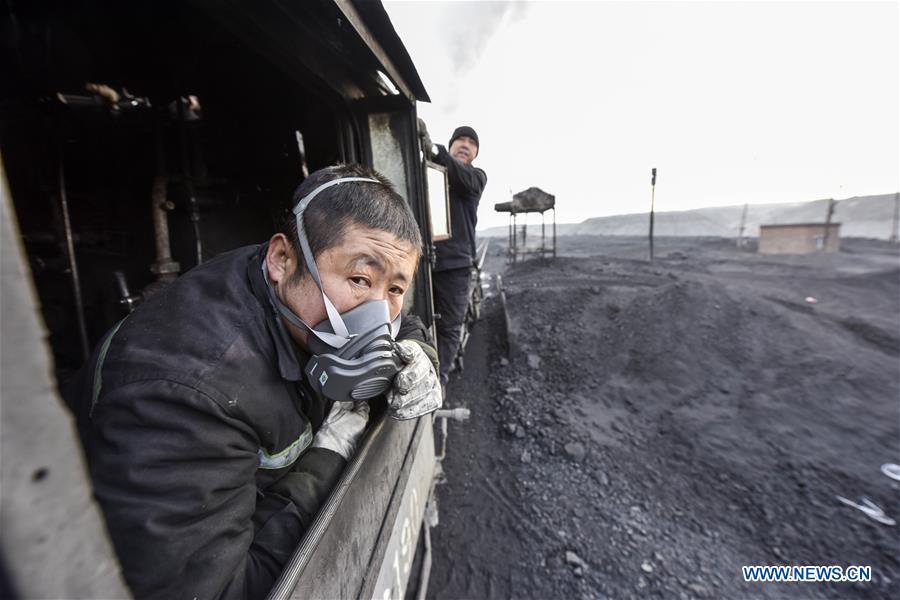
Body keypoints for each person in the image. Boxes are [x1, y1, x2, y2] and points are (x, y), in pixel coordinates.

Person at [64, 164, 442, 600]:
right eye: (359, 279)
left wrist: (420, 355)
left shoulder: (284, 289)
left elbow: (403, 321)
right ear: (283, 260)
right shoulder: (185, 397)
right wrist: (329, 456)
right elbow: (225, 590)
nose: (379, 316)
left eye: (395, 288)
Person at [419, 123, 487, 384]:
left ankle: (437, 383)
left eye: (471, 142)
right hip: (424, 261)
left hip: (456, 266)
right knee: (417, 323)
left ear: (476, 153)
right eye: (460, 140)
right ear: (451, 146)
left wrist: (434, 150)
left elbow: (463, 179)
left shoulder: (476, 177)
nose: (465, 144)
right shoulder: (428, 174)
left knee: (448, 328)